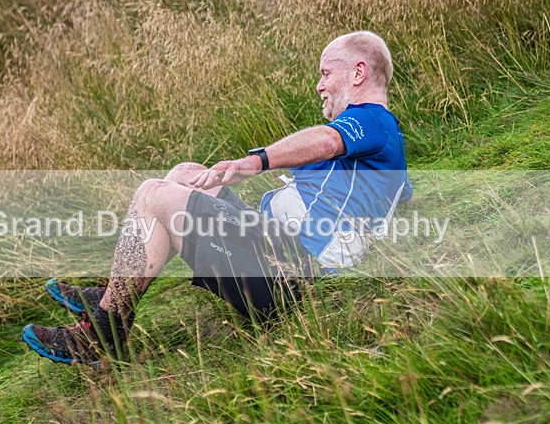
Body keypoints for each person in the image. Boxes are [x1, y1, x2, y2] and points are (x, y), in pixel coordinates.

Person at [22, 31, 413, 364]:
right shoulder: (384, 142)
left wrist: (256, 162)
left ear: (358, 72)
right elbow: (398, 190)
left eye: (326, 73)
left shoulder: (369, 120)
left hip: (290, 275)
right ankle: (114, 295)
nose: (319, 85)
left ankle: (102, 334)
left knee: (153, 194)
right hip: (277, 251)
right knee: (184, 174)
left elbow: (328, 141)